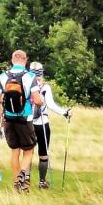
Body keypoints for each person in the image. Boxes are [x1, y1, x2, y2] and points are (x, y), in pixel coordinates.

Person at [0, 50, 44, 194]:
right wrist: (41, 101)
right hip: (24, 117)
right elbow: (37, 99)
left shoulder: (3, 76)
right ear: (25, 60)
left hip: (8, 118)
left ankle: (17, 183)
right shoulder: (30, 76)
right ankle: (23, 175)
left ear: (12, 60)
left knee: (14, 151)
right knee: (28, 150)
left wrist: (1, 116)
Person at [28, 61, 71, 189]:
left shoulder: (26, 85)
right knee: (43, 153)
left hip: (28, 123)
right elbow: (51, 105)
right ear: (41, 73)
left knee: (28, 152)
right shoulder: (45, 87)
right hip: (42, 123)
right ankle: (42, 181)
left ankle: (25, 180)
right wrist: (65, 113)